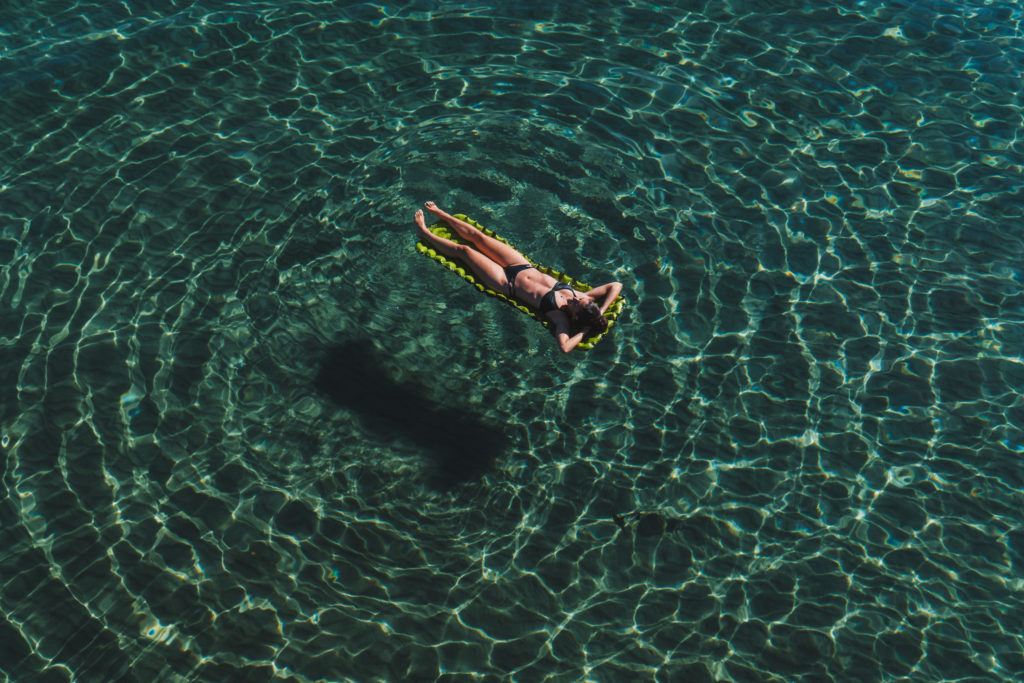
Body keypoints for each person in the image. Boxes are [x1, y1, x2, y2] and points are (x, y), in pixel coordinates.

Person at [415, 201, 622, 353]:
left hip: (507, 283)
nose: (577, 298)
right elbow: (616, 285)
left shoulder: (561, 320)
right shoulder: (583, 297)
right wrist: (601, 311)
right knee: (479, 237)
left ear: (576, 316)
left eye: (578, 304)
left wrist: (584, 331)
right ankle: (442, 214)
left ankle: (426, 233)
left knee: (465, 251)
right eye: (582, 299)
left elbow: (565, 347)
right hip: (520, 265)